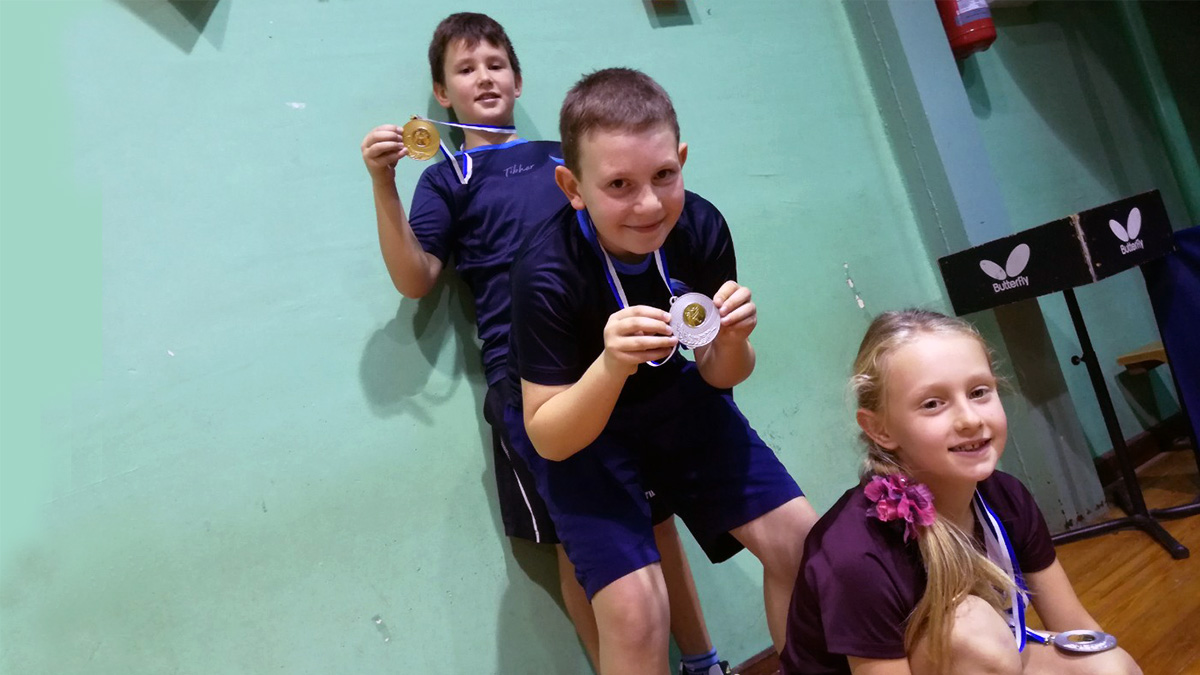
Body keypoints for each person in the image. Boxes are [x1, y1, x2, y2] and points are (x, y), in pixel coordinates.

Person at [358, 14, 732, 675]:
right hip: (533, 382)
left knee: (658, 519)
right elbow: (416, 279)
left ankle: (704, 662)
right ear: (441, 94)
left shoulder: (570, 158)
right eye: (465, 69)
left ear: (519, 79)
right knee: (577, 543)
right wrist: (383, 185)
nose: (484, 78)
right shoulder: (447, 177)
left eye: (496, 64)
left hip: (622, 364)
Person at [503, 67, 819, 675]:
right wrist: (610, 367)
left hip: (677, 400)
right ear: (573, 186)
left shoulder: (700, 226)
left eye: (664, 176)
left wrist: (733, 339)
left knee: (804, 547)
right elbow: (549, 435)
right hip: (580, 431)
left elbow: (722, 376)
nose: (648, 204)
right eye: (619, 184)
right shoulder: (545, 272)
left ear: (681, 160)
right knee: (637, 613)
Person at [779, 309, 1142, 675]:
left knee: (1109, 666)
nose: (970, 419)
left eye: (979, 392)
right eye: (932, 403)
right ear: (880, 430)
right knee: (972, 634)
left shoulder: (1007, 497)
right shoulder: (856, 553)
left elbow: (1077, 631)